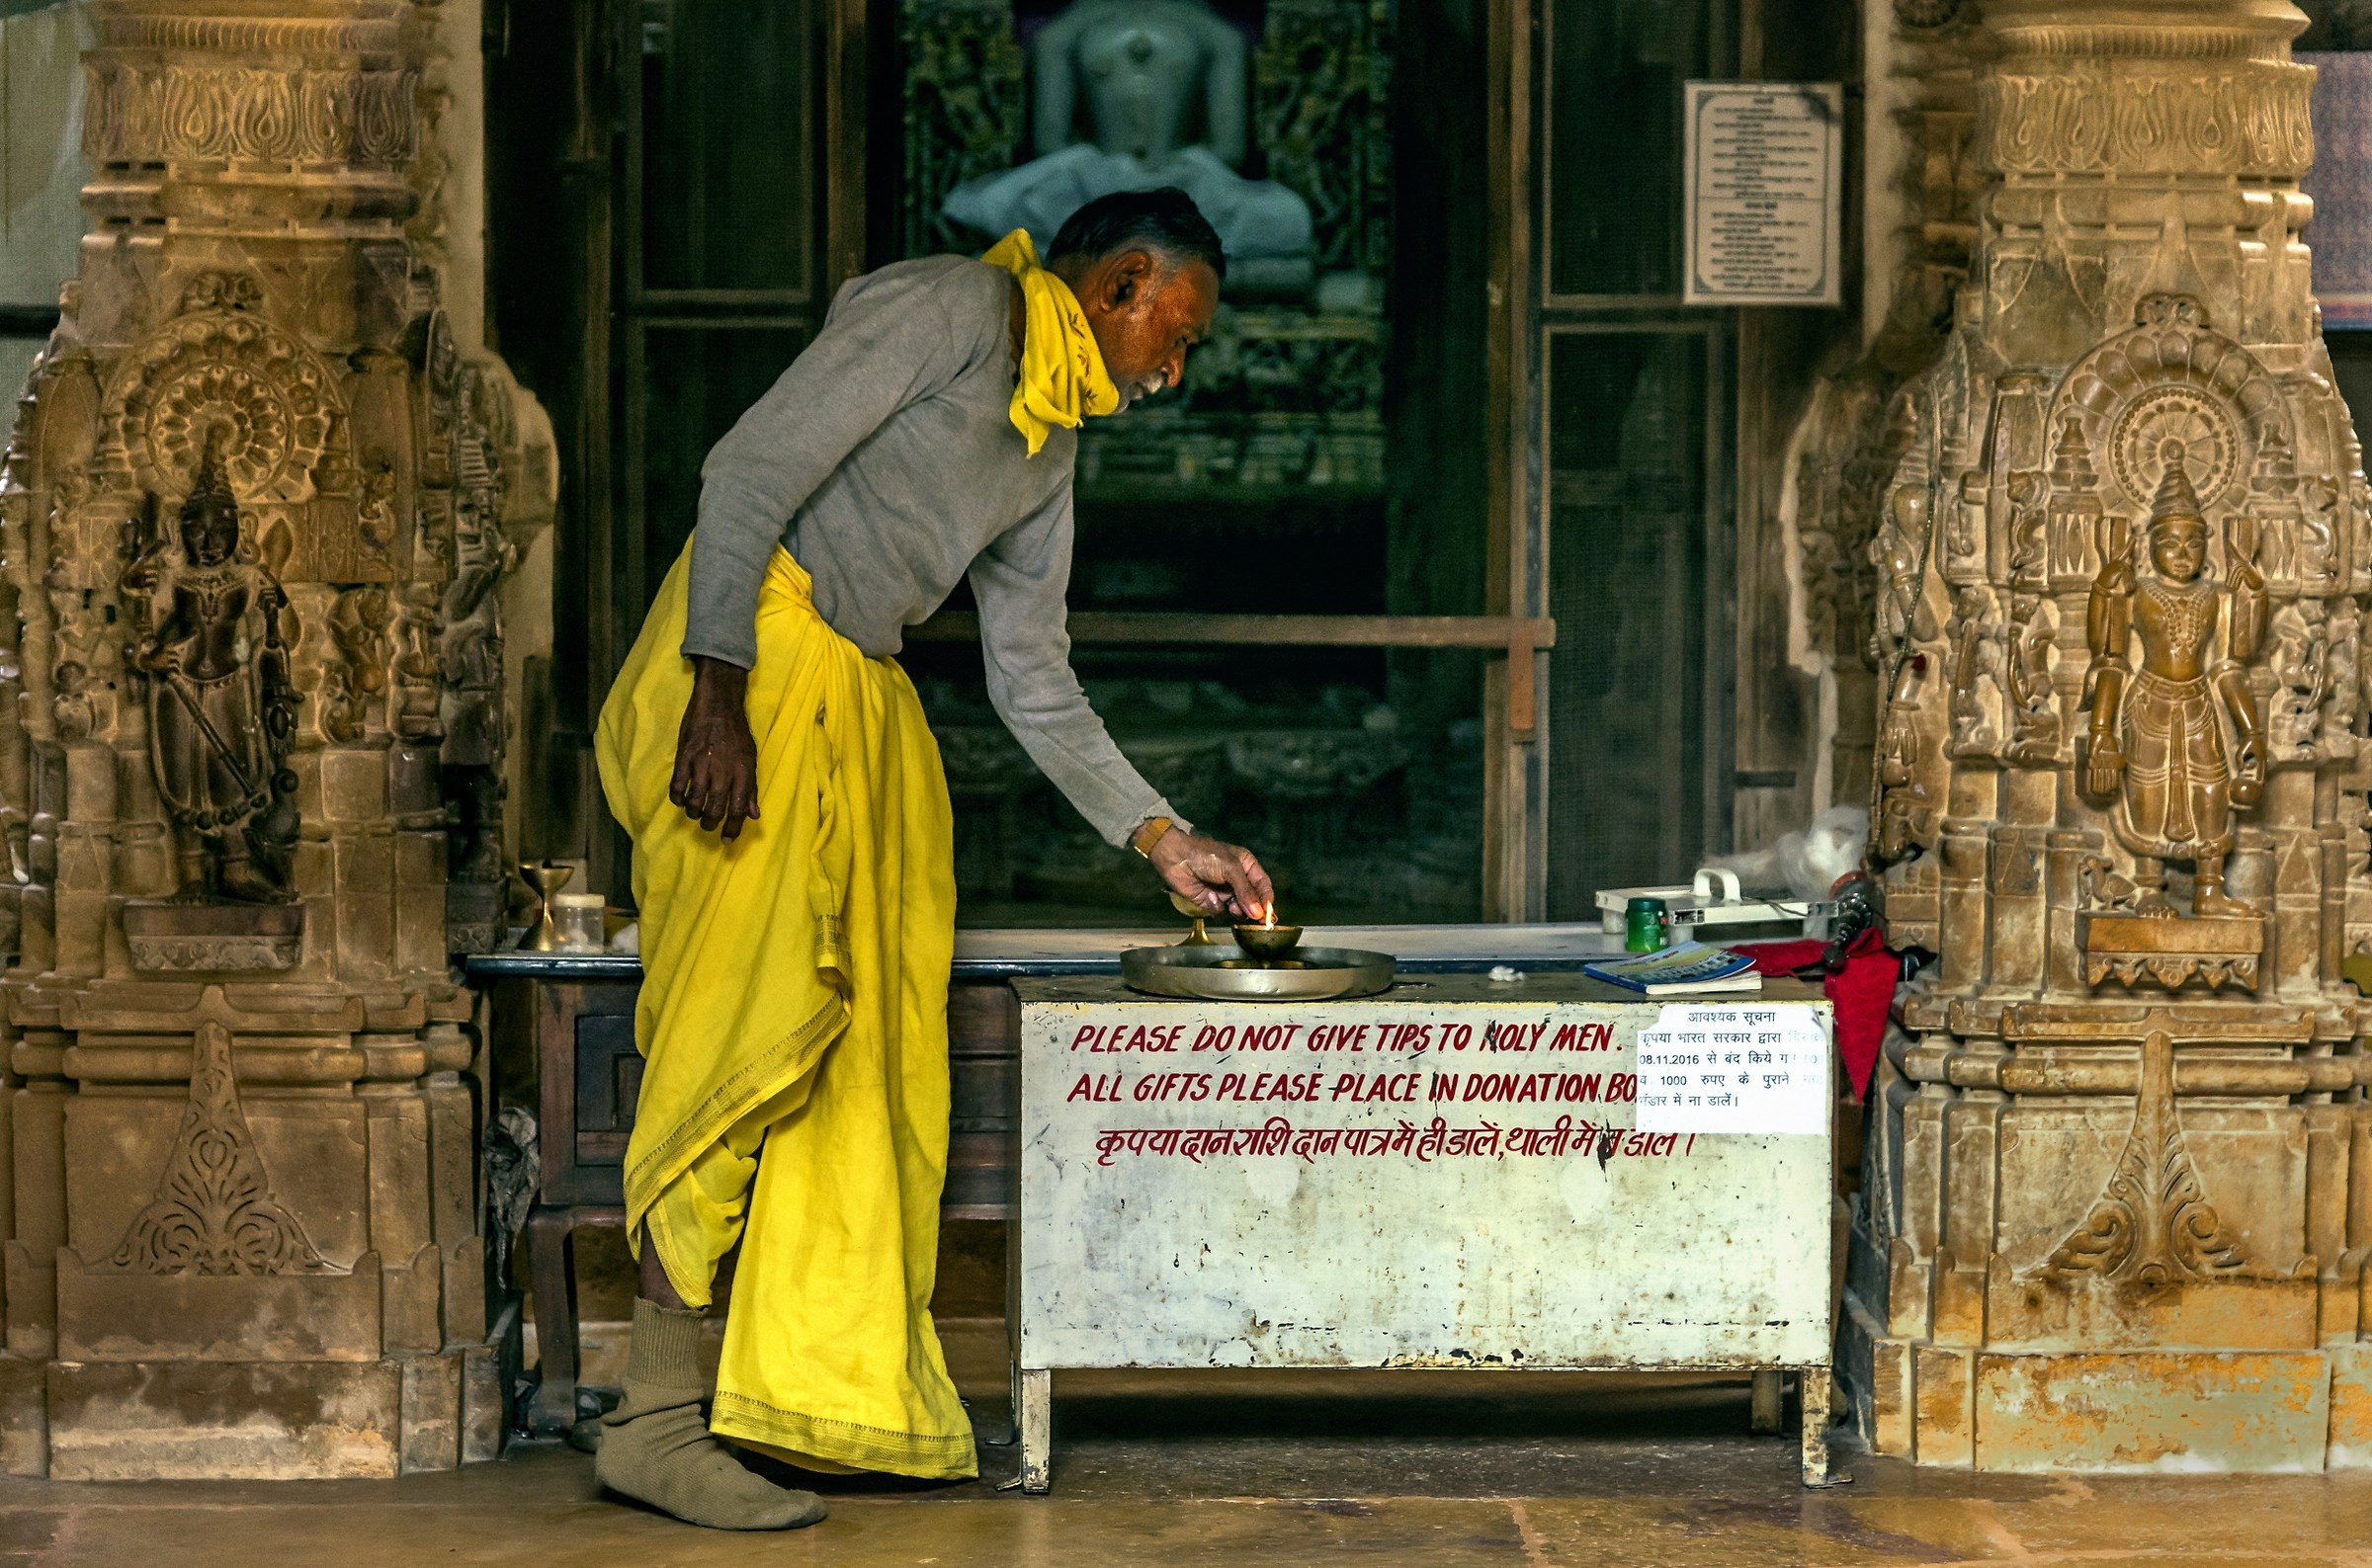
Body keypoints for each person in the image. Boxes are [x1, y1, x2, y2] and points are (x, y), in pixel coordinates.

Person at [591, 188, 1274, 1530]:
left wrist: (1157, 835)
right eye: (1173, 336)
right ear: (1123, 281)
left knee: (853, 1065)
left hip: (851, 693)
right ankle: (654, 1422)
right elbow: (748, 472)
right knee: (741, 1037)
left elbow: (1030, 673)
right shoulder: (951, 309)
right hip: (751, 668)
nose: (1173, 370)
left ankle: (787, 1398)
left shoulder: (1048, 439)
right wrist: (716, 689)